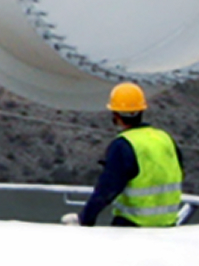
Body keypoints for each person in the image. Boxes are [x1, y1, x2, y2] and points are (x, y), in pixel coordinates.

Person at [77, 81, 185, 227]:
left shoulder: (123, 144)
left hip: (132, 227)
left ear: (115, 115)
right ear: (141, 111)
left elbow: (107, 190)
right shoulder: (164, 139)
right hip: (167, 227)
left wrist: (85, 219)